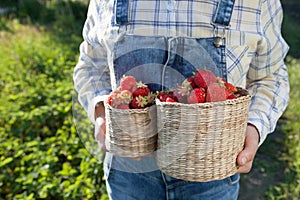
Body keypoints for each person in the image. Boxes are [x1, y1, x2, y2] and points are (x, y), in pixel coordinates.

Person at [73, 0, 289, 199]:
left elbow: (270, 76)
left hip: (212, 176)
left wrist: (254, 125)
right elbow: (92, 66)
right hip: (128, 175)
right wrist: (101, 111)